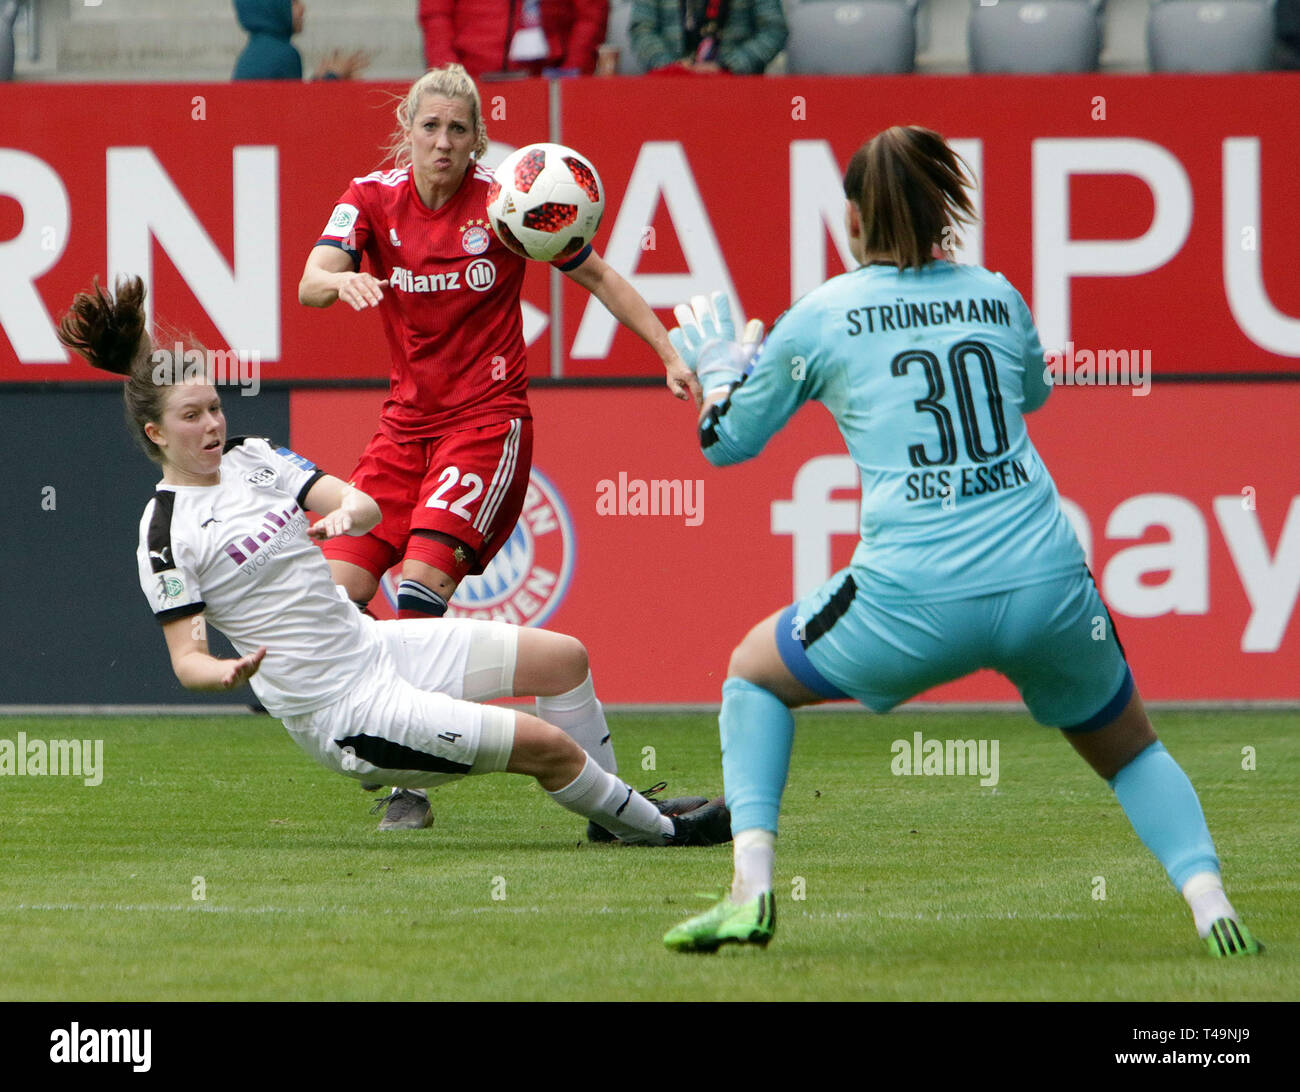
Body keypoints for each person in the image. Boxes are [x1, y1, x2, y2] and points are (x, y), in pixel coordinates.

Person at [660, 126, 1262, 958]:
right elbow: (1034, 395)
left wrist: (725, 373)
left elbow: (727, 443)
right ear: (943, 205)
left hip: (914, 596)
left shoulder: (824, 314)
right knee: (1128, 750)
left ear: (856, 220)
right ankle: (1210, 901)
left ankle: (749, 890)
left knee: (752, 677)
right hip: (1048, 581)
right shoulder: (996, 292)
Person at [56, 275, 728, 850]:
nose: (211, 426)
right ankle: (657, 832)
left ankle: (611, 819)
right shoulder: (165, 532)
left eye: (213, 408)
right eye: (191, 417)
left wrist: (350, 512)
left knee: (565, 657)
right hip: (345, 712)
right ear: (155, 433)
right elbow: (186, 658)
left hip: (377, 647)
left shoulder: (254, 456)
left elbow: (362, 505)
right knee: (546, 749)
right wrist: (224, 671)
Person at [299, 63, 696, 830]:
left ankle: (410, 781)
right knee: (331, 604)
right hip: (401, 431)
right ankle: (408, 747)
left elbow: (601, 277)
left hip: (486, 425)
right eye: (429, 127)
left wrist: (669, 352)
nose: (442, 143)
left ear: (477, 138)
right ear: (406, 131)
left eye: (458, 130)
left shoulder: (509, 203)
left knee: (418, 599)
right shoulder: (371, 199)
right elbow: (312, 277)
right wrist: (341, 282)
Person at [419, 0, 609, 78]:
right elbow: (436, 14)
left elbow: (591, 15)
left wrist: (572, 71)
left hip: (546, 81)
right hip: (472, 79)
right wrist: (449, 74)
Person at [628, 0, 787, 74]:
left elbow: (773, 29)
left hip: (738, 90)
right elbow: (642, 29)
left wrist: (729, 66)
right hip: (669, 90)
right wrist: (673, 67)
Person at [232, 0, 369, 81]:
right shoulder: (284, 54)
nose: (302, 9)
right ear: (272, 8)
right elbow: (298, 116)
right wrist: (332, 78)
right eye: (293, 2)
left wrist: (319, 80)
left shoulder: (252, 53)